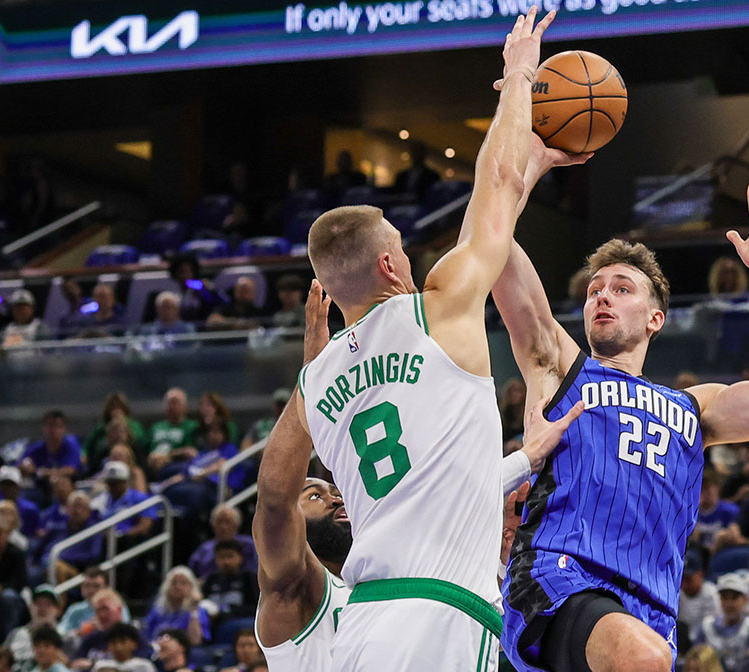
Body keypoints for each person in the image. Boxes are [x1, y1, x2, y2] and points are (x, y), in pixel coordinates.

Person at [288, 14, 567, 671]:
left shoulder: (321, 383)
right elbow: (494, 192)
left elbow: (423, 489)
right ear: (390, 268)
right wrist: (519, 79)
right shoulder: (437, 312)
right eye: (399, 246)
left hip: (362, 624)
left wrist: (524, 459)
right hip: (446, 613)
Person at [494, 163, 749, 669]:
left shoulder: (695, 406)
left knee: (645, 655)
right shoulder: (562, 368)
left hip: (649, 607)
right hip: (560, 579)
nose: (602, 294)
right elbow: (496, 242)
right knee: (640, 658)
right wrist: (522, 168)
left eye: (622, 288)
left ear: (655, 318)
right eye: (594, 290)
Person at [694, 573, 749, 672]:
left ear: (745, 599)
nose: (729, 603)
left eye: (734, 598)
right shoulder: (706, 627)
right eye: (724, 598)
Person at [142, 567, 209, 646]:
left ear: (191, 588)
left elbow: (195, 641)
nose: (178, 587)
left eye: (183, 583)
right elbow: (146, 636)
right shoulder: (158, 610)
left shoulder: (198, 611)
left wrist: (194, 610)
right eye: (174, 583)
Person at [188, 504, 257, 580]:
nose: (223, 526)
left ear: (237, 525)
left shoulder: (248, 544)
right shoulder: (204, 550)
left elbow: (254, 571)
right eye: (219, 522)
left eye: (228, 521)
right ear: (213, 526)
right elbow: (191, 575)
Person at [83, 392, 147, 473]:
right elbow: (88, 447)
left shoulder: (136, 449)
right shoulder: (102, 451)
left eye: (121, 431)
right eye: (113, 406)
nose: (118, 434)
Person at [59, 567, 131, 636]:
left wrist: (102, 628)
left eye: (96, 586)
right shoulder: (75, 609)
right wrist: (77, 633)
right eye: (87, 585)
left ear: (106, 588)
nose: (91, 590)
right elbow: (61, 631)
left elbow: (125, 630)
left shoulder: (116, 605)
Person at [201, 539, 258, 626]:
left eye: (230, 556)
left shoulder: (249, 578)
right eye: (221, 557)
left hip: (240, 624)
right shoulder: (211, 579)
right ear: (215, 559)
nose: (226, 562)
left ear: (240, 558)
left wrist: (226, 610)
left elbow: (255, 608)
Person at [20, 410, 83, 487]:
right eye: (50, 425)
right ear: (43, 428)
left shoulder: (71, 445)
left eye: (57, 426)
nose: (53, 430)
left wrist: (41, 473)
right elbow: (21, 464)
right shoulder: (37, 448)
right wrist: (25, 466)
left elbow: (70, 470)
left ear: (64, 428)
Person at [147, 389, 199, 474]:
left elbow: (190, 452)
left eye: (175, 403)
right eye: (169, 403)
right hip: (153, 463)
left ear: (185, 407)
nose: (172, 406)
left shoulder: (192, 426)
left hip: (177, 465)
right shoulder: (156, 427)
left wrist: (168, 455)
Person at [680, 551, 721, 634]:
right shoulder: (678, 594)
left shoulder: (711, 593)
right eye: (681, 579)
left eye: (688, 579)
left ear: (700, 574)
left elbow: (714, 629)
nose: (684, 585)